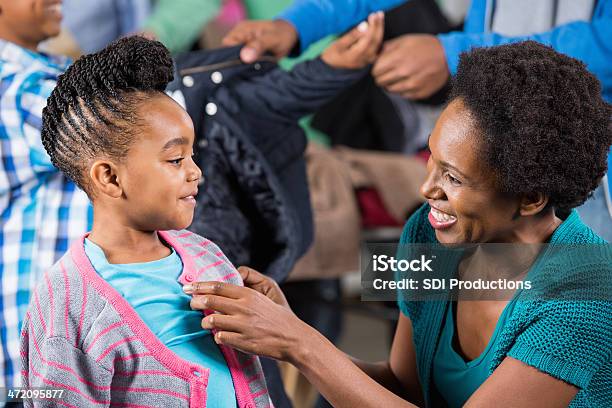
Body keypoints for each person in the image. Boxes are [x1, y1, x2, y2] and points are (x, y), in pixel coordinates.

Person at [186, 41, 612, 407]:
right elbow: (405, 389)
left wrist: (301, 343)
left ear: (531, 198)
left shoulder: (587, 295)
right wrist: (288, 329)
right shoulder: (427, 233)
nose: (427, 188)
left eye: (454, 178)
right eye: (431, 161)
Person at [20, 16, 384, 406]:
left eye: (192, 154)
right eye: (176, 159)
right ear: (109, 178)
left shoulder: (207, 256)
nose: (196, 172)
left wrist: (289, 329)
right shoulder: (65, 305)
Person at [0, 0, 91, 390]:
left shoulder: (50, 72)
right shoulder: (12, 84)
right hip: (44, 340)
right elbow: (120, 123)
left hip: (68, 332)